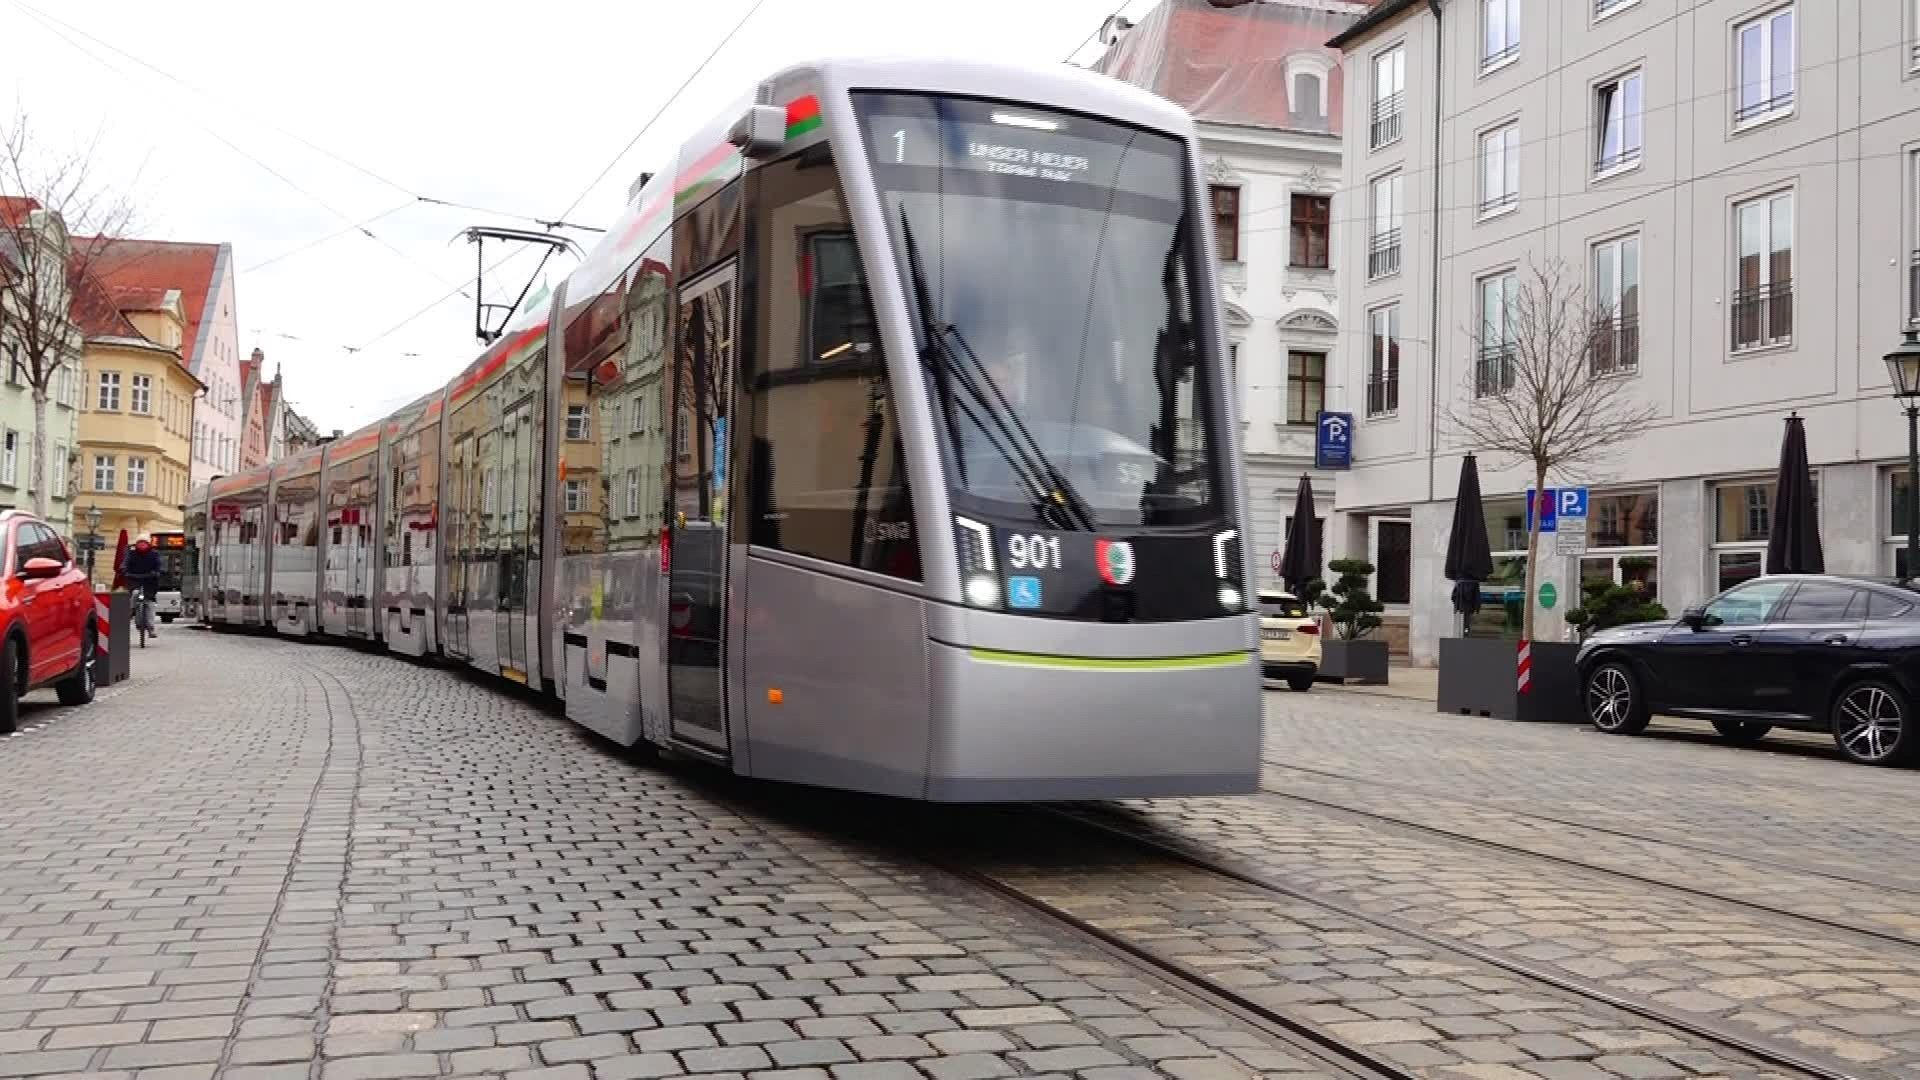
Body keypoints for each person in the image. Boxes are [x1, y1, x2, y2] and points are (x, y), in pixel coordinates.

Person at [120, 537, 163, 637]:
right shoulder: (131, 554)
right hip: (134, 580)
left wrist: (157, 572)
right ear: (136, 544)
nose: (142, 545)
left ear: (148, 544)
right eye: (140, 543)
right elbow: (125, 563)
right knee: (135, 594)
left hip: (150, 581)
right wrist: (123, 569)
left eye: (144, 543)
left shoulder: (154, 554)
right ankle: (131, 611)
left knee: (150, 604)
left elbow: (159, 565)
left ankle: (151, 629)